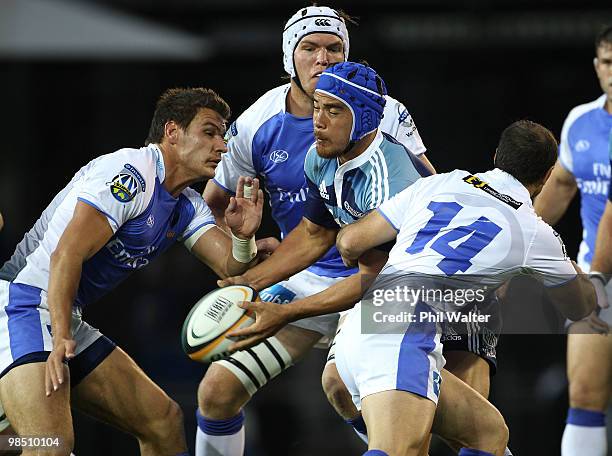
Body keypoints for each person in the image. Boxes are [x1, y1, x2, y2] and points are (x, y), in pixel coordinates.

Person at [198, 6, 438, 455]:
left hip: (382, 287)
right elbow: (313, 233)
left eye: (334, 49)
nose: (322, 59)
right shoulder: (272, 131)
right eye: (310, 48)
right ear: (290, 57)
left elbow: (428, 201)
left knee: (346, 389)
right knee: (215, 392)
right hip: (308, 277)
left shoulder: (383, 122)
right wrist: (243, 265)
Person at [0, 87, 264, 456]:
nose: (221, 145)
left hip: (61, 314)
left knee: (162, 420)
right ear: (172, 132)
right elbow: (66, 255)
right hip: (23, 304)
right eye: (209, 132)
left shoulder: (185, 205)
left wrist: (243, 237)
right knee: (51, 446)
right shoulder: (130, 173)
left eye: (223, 134)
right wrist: (61, 336)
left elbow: (229, 266)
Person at [333, 119, 597, 456]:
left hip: (361, 326)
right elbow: (580, 306)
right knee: (396, 450)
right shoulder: (533, 231)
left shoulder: (441, 183)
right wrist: (575, 270)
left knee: (489, 434)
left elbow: (351, 241)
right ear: (546, 177)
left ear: (497, 155)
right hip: (404, 338)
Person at [534, 25, 612, 456]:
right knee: (583, 395)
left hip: (597, 275)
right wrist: (516, 246)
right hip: (597, 277)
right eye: (607, 62)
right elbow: (561, 187)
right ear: (597, 66)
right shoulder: (581, 121)